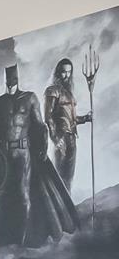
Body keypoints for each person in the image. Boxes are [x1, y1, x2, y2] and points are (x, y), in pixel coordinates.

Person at [0, 62, 78, 250]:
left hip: (23, 155)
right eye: (8, 79)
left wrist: (42, 147)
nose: (11, 82)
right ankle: (4, 242)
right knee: (2, 198)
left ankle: (23, 242)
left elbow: (40, 126)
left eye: (13, 78)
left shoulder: (29, 98)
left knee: (24, 197)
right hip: (3, 158)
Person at [45, 57, 92, 201]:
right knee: (59, 177)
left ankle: (68, 207)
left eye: (69, 72)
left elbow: (72, 119)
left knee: (69, 178)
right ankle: (59, 208)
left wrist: (86, 118)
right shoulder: (52, 91)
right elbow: (48, 117)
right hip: (61, 138)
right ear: (58, 72)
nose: (67, 75)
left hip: (72, 139)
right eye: (64, 72)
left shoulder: (68, 93)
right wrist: (55, 138)